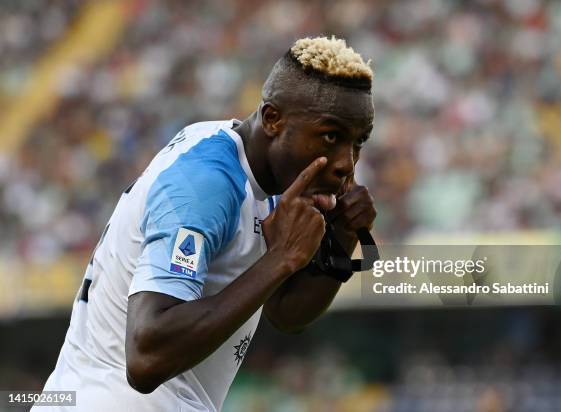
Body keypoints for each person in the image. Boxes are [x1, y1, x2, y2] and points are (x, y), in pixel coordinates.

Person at [35, 36, 376, 412]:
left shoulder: (272, 180)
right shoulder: (207, 183)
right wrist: (281, 257)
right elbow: (147, 357)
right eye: (331, 136)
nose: (347, 162)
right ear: (273, 119)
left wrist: (342, 237)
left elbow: (286, 313)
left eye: (358, 142)